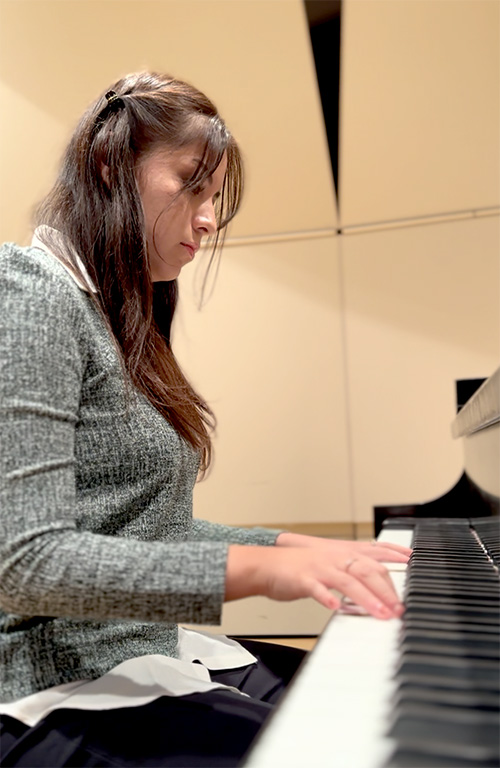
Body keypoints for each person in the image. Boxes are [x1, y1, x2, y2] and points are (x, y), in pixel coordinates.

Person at [0, 72, 411, 767]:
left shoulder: (115, 316)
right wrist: (259, 571)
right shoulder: (27, 291)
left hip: (145, 652)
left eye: (214, 196)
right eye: (192, 183)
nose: (208, 217)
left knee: (382, 701)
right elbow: (27, 563)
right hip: (53, 686)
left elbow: (145, 527)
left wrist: (290, 545)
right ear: (109, 165)